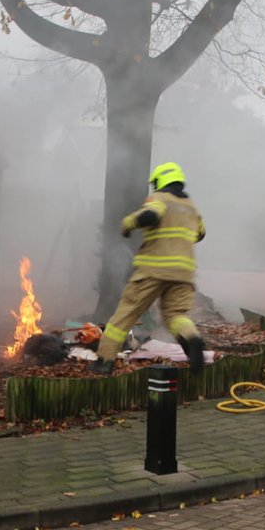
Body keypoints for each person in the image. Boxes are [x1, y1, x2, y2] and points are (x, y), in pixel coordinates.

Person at [92, 161, 206, 375]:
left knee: (125, 314)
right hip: (184, 274)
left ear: (161, 181)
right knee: (176, 315)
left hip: (153, 270)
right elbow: (201, 233)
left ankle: (104, 360)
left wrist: (128, 223)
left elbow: (150, 215)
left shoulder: (159, 198)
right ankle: (193, 341)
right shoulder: (191, 207)